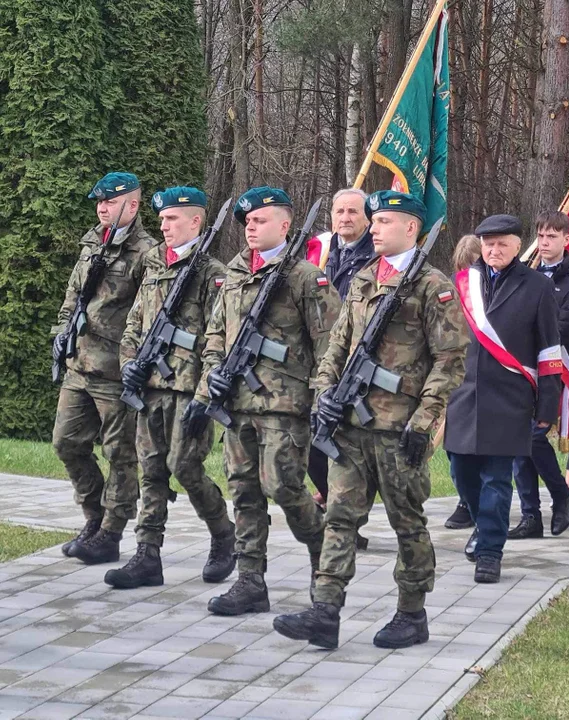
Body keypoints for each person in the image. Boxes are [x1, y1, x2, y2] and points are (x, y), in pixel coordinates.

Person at [272, 191, 468, 650]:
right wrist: (324, 393)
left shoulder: (432, 286)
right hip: (352, 427)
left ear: (412, 230)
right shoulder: (361, 279)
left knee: (407, 523)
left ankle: (412, 614)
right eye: (373, 220)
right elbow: (336, 345)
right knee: (339, 518)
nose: (374, 228)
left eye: (385, 221)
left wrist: (424, 421)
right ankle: (324, 611)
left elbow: (450, 359)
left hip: (399, 430)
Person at [198, 187, 340, 615]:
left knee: (284, 486)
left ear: (285, 225)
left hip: (284, 404)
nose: (251, 228)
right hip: (237, 401)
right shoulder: (236, 274)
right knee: (242, 490)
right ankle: (250, 580)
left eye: (260, 221)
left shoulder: (304, 277)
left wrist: (321, 401)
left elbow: (330, 344)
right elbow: (215, 335)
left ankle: (322, 557)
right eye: (248, 222)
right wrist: (212, 376)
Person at [107, 187, 235, 589]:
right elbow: (133, 324)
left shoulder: (213, 273)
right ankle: (148, 555)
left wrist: (204, 396)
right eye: (161, 220)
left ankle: (223, 534)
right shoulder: (154, 265)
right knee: (151, 470)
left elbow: (220, 339)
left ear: (195, 221)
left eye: (172, 219)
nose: (163, 226)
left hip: (188, 391)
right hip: (150, 388)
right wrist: (129, 365)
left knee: (185, 467)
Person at [445, 214, 563, 583]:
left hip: (510, 397)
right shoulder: (462, 282)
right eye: (488, 243)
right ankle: (483, 524)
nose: (494, 250)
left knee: (497, 477)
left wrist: (548, 404)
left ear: (517, 245)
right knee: (461, 471)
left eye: (502, 243)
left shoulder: (536, 287)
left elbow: (549, 350)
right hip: (463, 395)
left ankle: (490, 552)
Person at [53, 172, 157, 565]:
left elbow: (147, 313)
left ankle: (111, 533)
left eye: (110, 202)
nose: (101, 207)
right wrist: (62, 333)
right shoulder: (91, 242)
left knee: (120, 454)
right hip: (79, 364)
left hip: (115, 371)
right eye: (99, 202)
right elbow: (73, 297)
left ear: (131, 206)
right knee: (66, 443)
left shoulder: (147, 253)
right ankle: (94, 517)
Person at [508, 211, 569, 539]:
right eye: (540, 236)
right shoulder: (525, 275)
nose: (544, 242)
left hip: (552, 369)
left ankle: (560, 493)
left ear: (566, 240)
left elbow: (563, 330)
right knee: (517, 443)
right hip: (520, 368)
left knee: (534, 437)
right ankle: (530, 516)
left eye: (551, 236)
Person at [304, 188, 375, 550]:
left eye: (352, 212)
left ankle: (348, 518)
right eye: (339, 211)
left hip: (355, 360)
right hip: (315, 359)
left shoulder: (375, 256)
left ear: (367, 218)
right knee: (311, 439)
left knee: (348, 443)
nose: (344, 218)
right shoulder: (319, 252)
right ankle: (331, 502)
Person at [445, 234, 482, 531]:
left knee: (481, 448)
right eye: (463, 267)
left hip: (485, 377)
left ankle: (478, 505)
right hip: (456, 376)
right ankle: (465, 499)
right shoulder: (449, 289)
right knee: (454, 448)